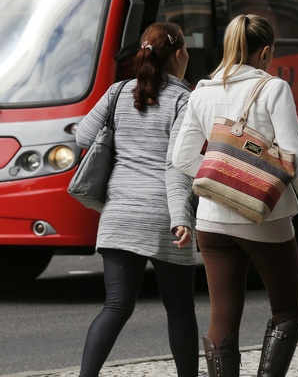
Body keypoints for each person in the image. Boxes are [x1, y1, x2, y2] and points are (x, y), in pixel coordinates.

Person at [172, 14, 298, 377]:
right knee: (287, 310)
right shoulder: (273, 88)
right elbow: (297, 156)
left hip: (211, 221)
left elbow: (181, 157)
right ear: (264, 53)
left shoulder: (202, 91)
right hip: (266, 220)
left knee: (223, 315)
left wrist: (223, 181)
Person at [75, 22, 199, 377]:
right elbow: (177, 166)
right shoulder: (182, 100)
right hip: (162, 216)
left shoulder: (118, 92)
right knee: (179, 309)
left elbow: (84, 134)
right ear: (178, 56)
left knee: (115, 306)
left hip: (118, 214)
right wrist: (181, 218)